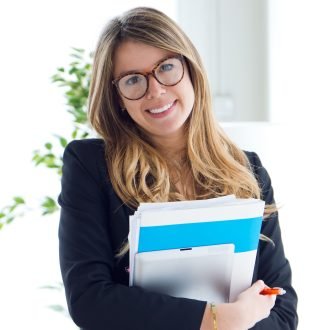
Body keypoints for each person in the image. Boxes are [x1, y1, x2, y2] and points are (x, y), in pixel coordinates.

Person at [58, 6, 298, 330]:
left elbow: (283, 312)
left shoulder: (248, 170)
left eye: (167, 67)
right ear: (117, 98)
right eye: (133, 80)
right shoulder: (90, 166)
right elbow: (89, 301)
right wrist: (220, 319)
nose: (156, 90)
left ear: (190, 68)